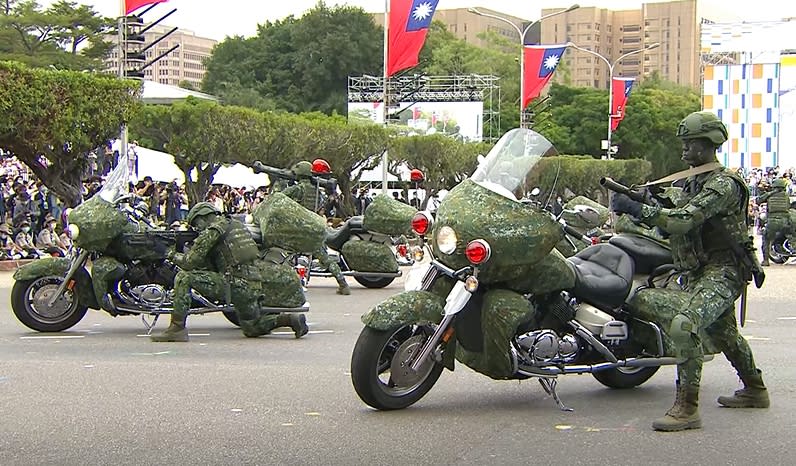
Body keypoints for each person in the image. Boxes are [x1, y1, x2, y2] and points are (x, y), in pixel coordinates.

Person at [610, 111, 769, 432]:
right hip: (700, 269)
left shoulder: (723, 185)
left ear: (709, 144)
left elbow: (683, 220)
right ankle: (755, 389)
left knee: (684, 325)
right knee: (724, 332)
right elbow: (674, 209)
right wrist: (648, 198)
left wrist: (641, 208)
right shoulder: (697, 180)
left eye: (690, 143)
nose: (684, 149)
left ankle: (687, 407)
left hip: (723, 270)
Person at [151, 202, 308, 342]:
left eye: (196, 223)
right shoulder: (236, 225)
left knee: (183, 277)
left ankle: (177, 328)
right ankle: (290, 320)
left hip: (233, 282)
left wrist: (168, 253)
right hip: (253, 283)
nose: (197, 228)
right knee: (251, 327)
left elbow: (189, 263)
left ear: (204, 217)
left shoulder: (214, 230)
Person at [283, 161, 351, 295]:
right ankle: (343, 283)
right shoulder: (317, 190)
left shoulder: (297, 189)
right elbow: (321, 208)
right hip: (313, 227)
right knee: (325, 258)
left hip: (299, 228)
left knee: (284, 254)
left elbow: (279, 198)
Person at [757, 177, 792, 266]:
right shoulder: (786, 195)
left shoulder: (770, 195)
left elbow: (759, 200)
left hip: (773, 221)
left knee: (766, 238)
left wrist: (763, 191)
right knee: (791, 235)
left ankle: (765, 260)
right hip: (785, 220)